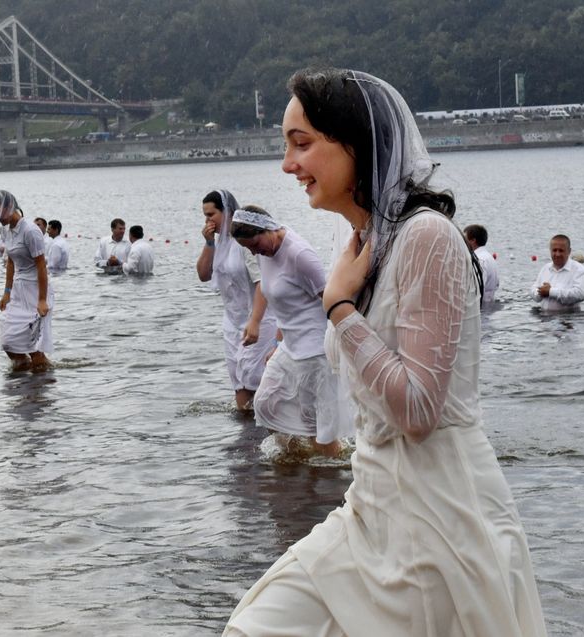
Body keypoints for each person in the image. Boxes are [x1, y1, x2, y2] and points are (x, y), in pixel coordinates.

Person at [224, 68, 545, 637]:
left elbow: (419, 412)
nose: (287, 164)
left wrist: (339, 310)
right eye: (285, 147)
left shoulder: (428, 237)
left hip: (441, 515)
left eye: (302, 144)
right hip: (372, 504)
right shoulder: (359, 241)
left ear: (357, 145)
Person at [231, 207, 350, 454]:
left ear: (267, 229)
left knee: (319, 425)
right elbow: (275, 296)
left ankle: (331, 474)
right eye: (249, 250)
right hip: (288, 345)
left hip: (315, 350)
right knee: (265, 403)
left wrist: (348, 342)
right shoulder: (264, 252)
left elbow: (329, 299)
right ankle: (298, 454)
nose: (254, 252)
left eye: (254, 245)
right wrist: (275, 343)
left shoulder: (299, 255)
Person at [197, 191, 277, 412]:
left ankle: (275, 431)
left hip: (259, 319)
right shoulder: (219, 244)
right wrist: (208, 243)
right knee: (239, 383)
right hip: (231, 323)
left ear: (228, 212)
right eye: (205, 216)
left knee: (257, 379)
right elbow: (203, 274)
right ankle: (247, 439)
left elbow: (263, 283)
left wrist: (255, 321)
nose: (208, 220)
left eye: (211, 214)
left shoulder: (245, 241)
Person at [0, 190, 52, 371]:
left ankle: (42, 384)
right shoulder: (5, 230)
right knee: (8, 342)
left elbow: (41, 266)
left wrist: (42, 300)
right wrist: (6, 292)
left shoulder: (31, 231)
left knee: (32, 345)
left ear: (9, 207)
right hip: (18, 289)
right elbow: (10, 261)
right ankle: (24, 374)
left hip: (36, 289)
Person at [531, 233, 584, 311]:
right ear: (550, 250)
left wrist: (550, 292)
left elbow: (580, 294)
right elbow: (533, 290)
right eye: (554, 250)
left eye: (561, 250)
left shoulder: (578, 269)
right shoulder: (545, 268)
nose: (557, 254)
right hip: (544, 319)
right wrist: (540, 292)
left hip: (568, 319)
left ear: (569, 251)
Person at [464, 224, 499, 303]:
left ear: (473, 240)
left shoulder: (479, 260)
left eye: (464, 239)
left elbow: (477, 288)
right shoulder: (489, 257)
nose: (463, 242)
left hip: (481, 308)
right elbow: (497, 284)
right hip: (489, 305)